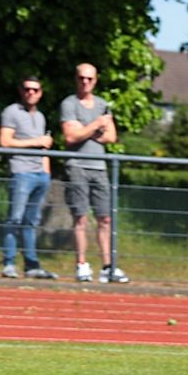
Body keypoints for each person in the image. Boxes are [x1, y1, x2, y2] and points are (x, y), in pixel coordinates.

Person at [60, 62, 129, 283]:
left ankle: (108, 266)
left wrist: (85, 129)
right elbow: (71, 137)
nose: (85, 82)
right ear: (76, 79)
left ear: (95, 80)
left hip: (99, 167)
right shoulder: (69, 104)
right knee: (80, 217)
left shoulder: (102, 104)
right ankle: (81, 264)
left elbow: (111, 136)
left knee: (105, 218)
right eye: (82, 78)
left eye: (89, 78)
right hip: (77, 166)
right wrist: (97, 124)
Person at [0, 76, 58, 280]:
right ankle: (9, 263)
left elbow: (43, 147)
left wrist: (46, 172)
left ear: (40, 93)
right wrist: (36, 141)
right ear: (20, 90)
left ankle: (31, 265)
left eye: (35, 90)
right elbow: (5, 141)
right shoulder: (11, 112)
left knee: (31, 222)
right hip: (21, 172)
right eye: (27, 89)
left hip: (40, 174)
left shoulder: (40, 116)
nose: (30, 93)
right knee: (15, 218)